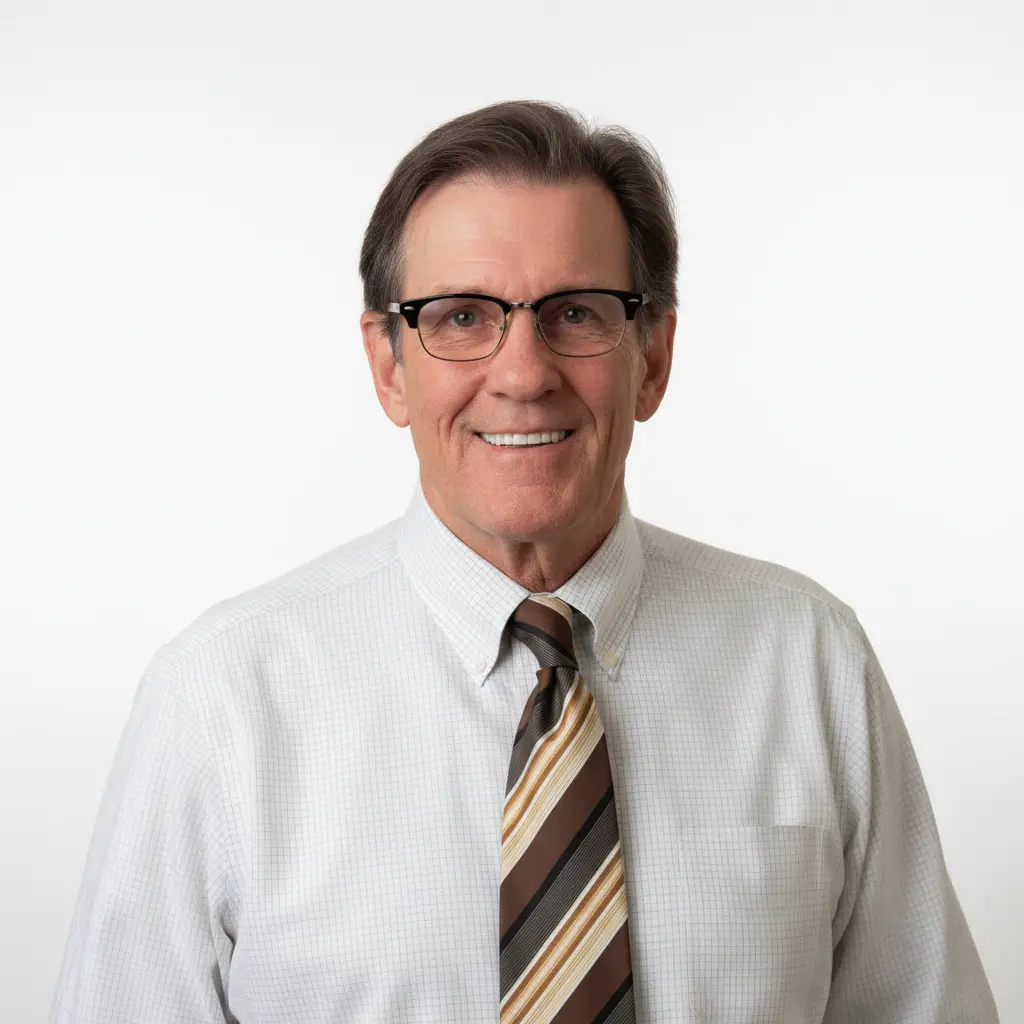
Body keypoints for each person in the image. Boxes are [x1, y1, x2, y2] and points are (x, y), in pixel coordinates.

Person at [50, 100, 999, 1023]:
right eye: (462, 317)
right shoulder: (219, 700)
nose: (522, 372)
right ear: (389, 365)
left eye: (576, 313)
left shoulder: (809, 661)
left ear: (654, 358)